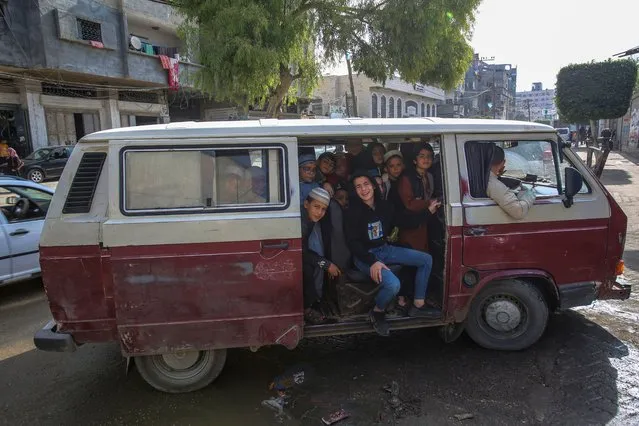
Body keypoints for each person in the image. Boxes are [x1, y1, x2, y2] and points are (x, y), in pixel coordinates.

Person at [345, 171, 438, 337]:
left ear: (373, 185)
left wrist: (428, 211)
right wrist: (372, 261)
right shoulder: (352, 211)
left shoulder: (385, 206)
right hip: (365, 256)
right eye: (358, 186)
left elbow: (404, 221)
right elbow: (353, 243)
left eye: (366, 184)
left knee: (426, 259)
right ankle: (377, 310)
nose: (363, 189)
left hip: (385, 249)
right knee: (393, 285)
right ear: (355, 191)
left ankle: (418, 304)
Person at [301, 187, 341, 324]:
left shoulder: (309, 220)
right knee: (307, 268)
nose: (319, 212)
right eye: (316, 207)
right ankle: (306, 308)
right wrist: (326, 264)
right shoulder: (302, 224)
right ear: (306, 204)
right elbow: (302, 253)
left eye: (323, 209)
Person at [486, 146, 535, 220]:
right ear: (503, 162)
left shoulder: (482, 178)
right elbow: (518, 211)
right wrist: (530, 195)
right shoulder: (492, 183)